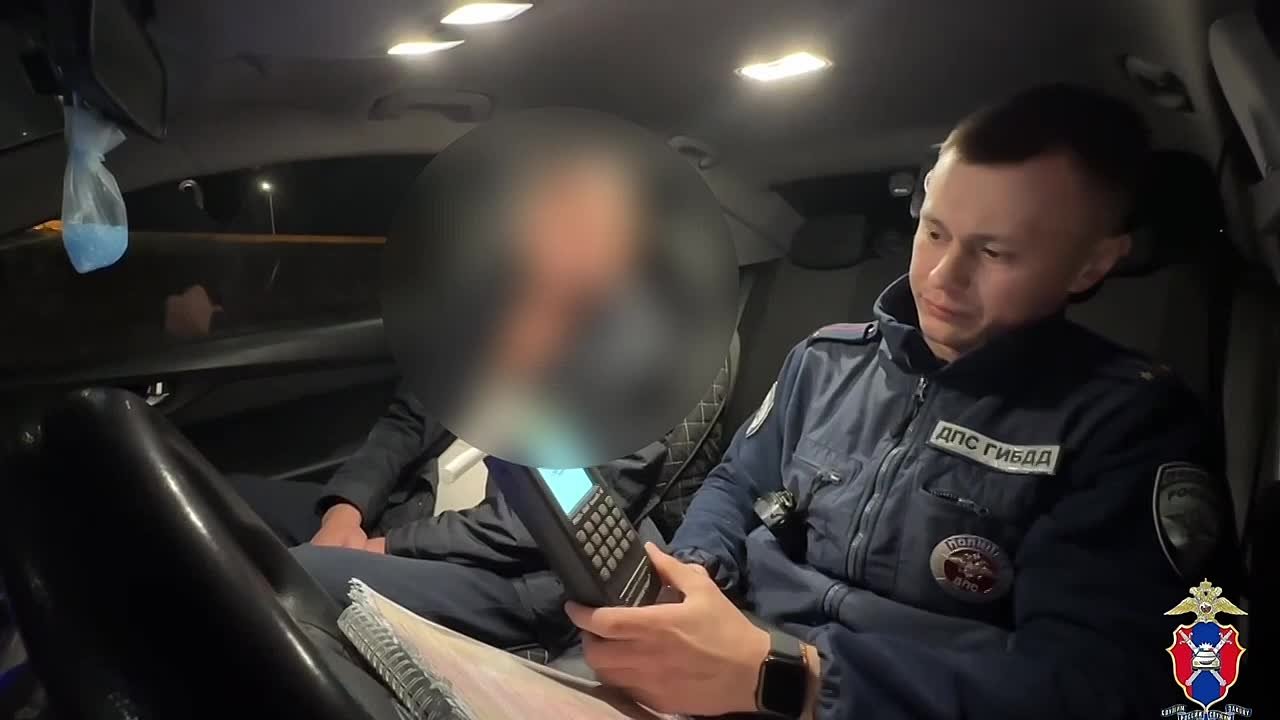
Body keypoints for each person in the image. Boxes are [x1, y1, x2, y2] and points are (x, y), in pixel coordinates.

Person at [563, 83, 1244, 719]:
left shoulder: (1129, 426)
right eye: (935, 231)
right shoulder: (824, 361)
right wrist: (694, 574)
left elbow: (1101, 684)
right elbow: (738, 481)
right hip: (724, 657)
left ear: (1091, 265)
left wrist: (792, 678)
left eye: (996, 253)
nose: (943, 277)